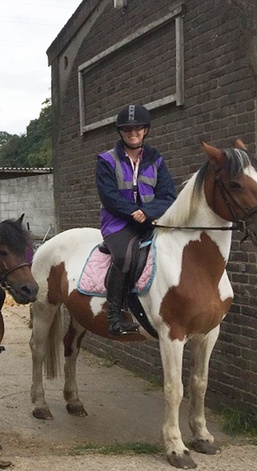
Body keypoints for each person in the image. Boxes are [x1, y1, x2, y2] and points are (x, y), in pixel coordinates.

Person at [96, 104, 176, 336]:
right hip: (118, 224)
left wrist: (148, 212)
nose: (133, 132)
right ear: (121, 132)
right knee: (124, 255)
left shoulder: (156, 159)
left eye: (138, 128)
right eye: (128, 129)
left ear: (145, 130)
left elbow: (168, 195)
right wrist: (133, 211)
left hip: (150, 221)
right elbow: (108, 196)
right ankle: (114, 315)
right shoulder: (106, 160)